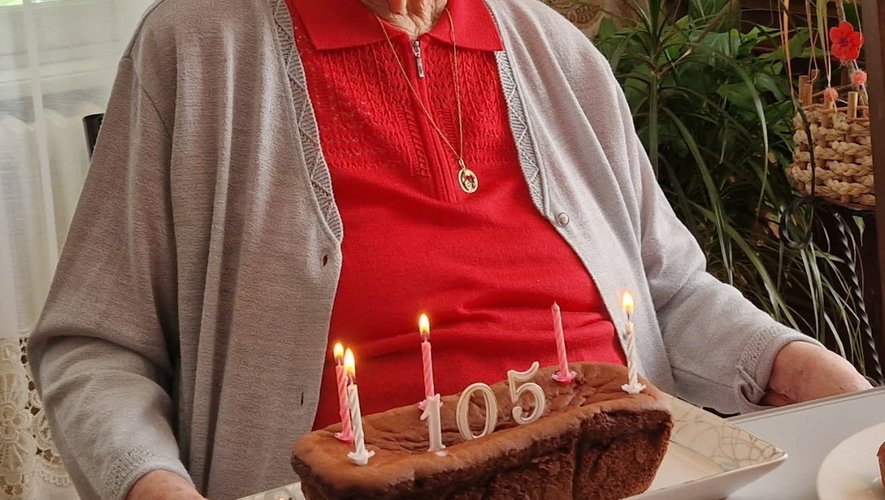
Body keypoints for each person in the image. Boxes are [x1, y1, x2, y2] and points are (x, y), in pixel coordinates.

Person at [27, 0, 872, 498]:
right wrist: (153, 485)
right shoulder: (196, 49)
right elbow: (95, 346)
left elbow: (671, 292)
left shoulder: (555, 51)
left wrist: (803, 372)